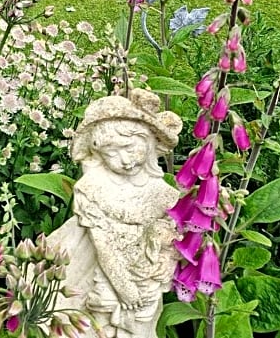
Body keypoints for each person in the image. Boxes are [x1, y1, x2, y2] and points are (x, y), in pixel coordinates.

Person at [50, 89, 182, 338]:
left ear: (148, 141)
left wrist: (165, 261)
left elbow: (172, 237)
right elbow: (103, 247)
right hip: (105, 276)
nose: (124, 160)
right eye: (110, 153)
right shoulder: (93, 188)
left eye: (130, 148)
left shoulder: (162, 192)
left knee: (141, 327)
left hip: (147, 280)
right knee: (99, 325)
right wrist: (125, 288)